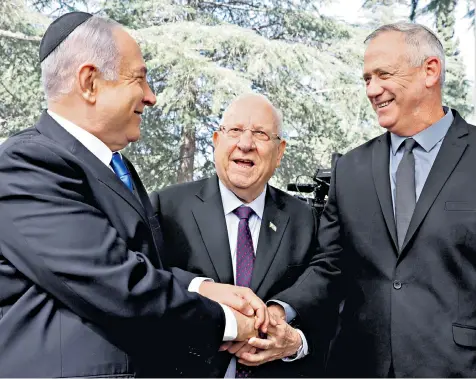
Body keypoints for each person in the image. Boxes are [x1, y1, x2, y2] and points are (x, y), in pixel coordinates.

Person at [0, 12, 271, 377]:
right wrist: (230, 322)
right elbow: (113, 282)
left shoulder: (115, 167)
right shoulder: (26, 163)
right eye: (139, 79)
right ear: (90, 82)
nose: (151, 97)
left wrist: (204, 287)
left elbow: (136, 264)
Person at [243, 22, 476, 377]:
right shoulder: (351, 169)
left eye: (383, 74)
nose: (372, 89)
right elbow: (331, 264)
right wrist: (280, 311)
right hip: (358, 366)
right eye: (367, 78)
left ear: (430, 71)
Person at [150, 93, 337, 377]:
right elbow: (144, 281)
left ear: (280, 151)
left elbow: (328, 303)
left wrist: (288, 331)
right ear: (216, 141)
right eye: (235, 131)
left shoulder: (307, 221)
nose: (246, 144)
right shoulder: (165, 208)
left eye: (260, 134)